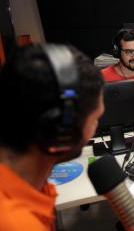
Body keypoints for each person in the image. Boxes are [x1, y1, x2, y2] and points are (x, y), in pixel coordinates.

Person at [0, 43, 104, 230]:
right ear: (62, 130)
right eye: (96, 119)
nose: (95, 129)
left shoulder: (29, 182)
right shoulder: (18, 224)